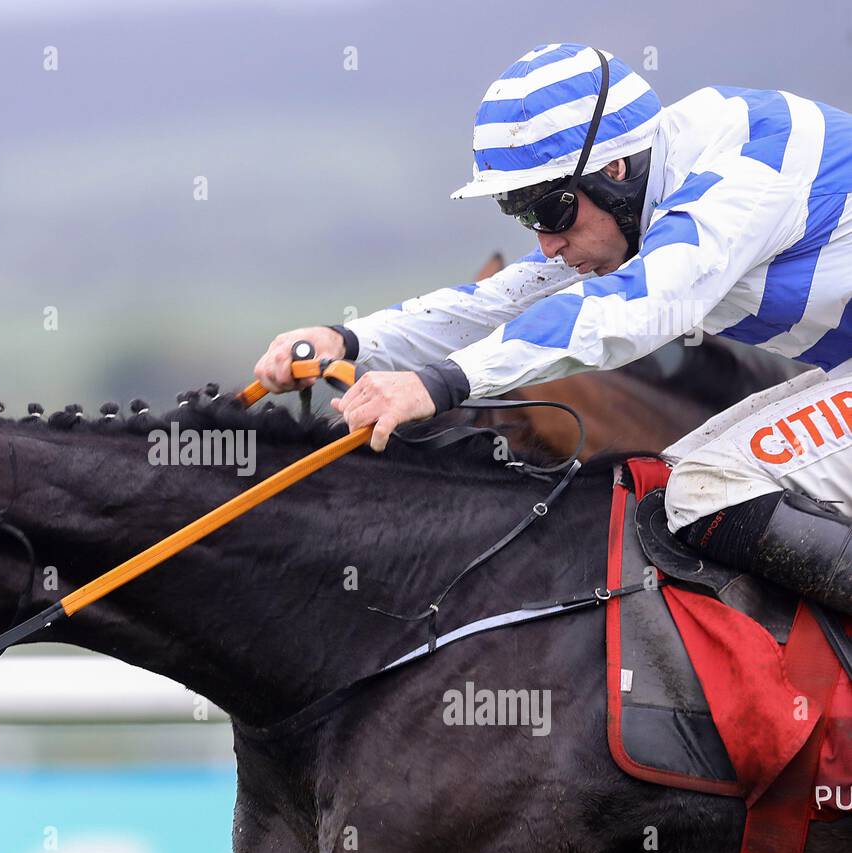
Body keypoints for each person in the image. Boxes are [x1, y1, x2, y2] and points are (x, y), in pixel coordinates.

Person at [252, 43, 852, 613]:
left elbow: (636, 308)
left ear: (615, 168)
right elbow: (494, 302)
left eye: (550, 209)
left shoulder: (738, 180)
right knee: (670, 485)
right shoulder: (653, 185)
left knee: (707, 490)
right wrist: (351, 339)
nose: (546, 242)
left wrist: (438, 385)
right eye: (522, 214)